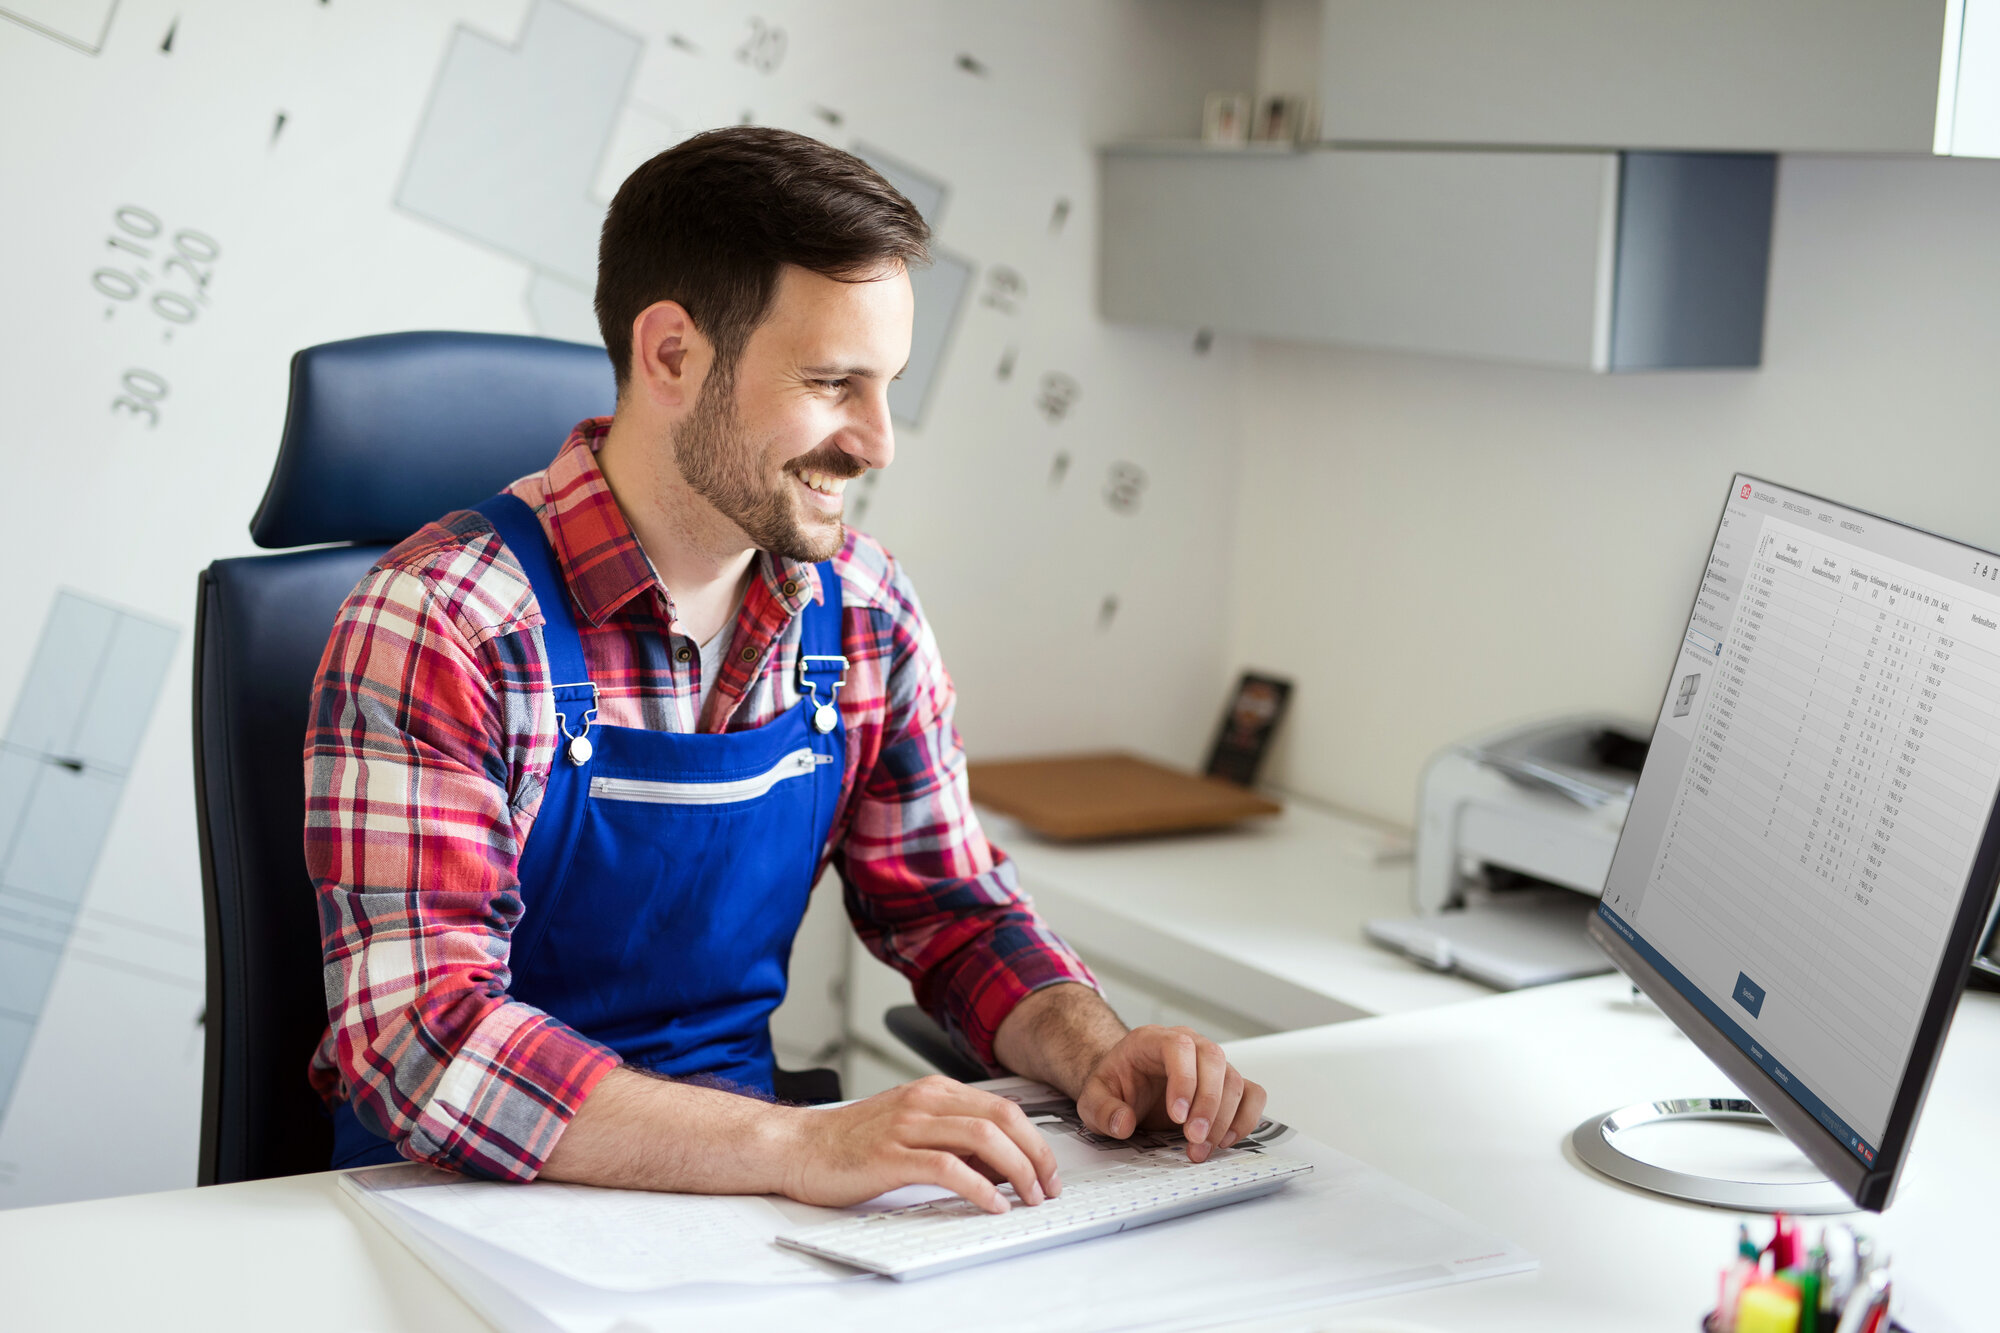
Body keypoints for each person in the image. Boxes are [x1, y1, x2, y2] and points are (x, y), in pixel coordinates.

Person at [305, 126, 1265, 1215]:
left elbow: (950, 908)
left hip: (743, 1206)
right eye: (830, 383)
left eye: (886, 386)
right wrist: (795, 1146)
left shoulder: (864, 611)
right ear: (670, 354)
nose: (875, 441)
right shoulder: (443, 623)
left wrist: (1092, 1047)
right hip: (454, 1208)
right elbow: (421, 1043)